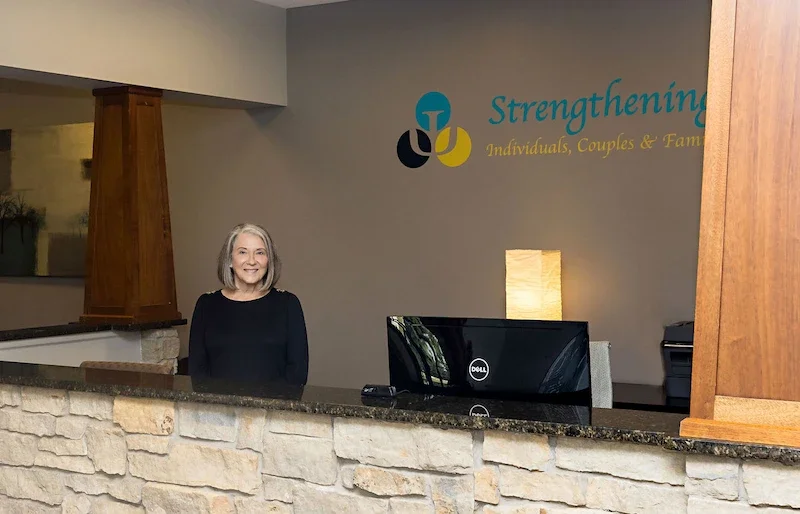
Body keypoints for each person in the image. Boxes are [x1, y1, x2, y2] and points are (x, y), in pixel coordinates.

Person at [188, 223, 309, 385]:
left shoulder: (288, 304)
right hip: (217, 408)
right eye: (243, 252)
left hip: (274, 408)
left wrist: (265, 408)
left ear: (269, 261)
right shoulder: (206, 305)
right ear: (230, 260)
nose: (252, 261)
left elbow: (297, 373)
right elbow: (197, 371)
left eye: (260, 253)